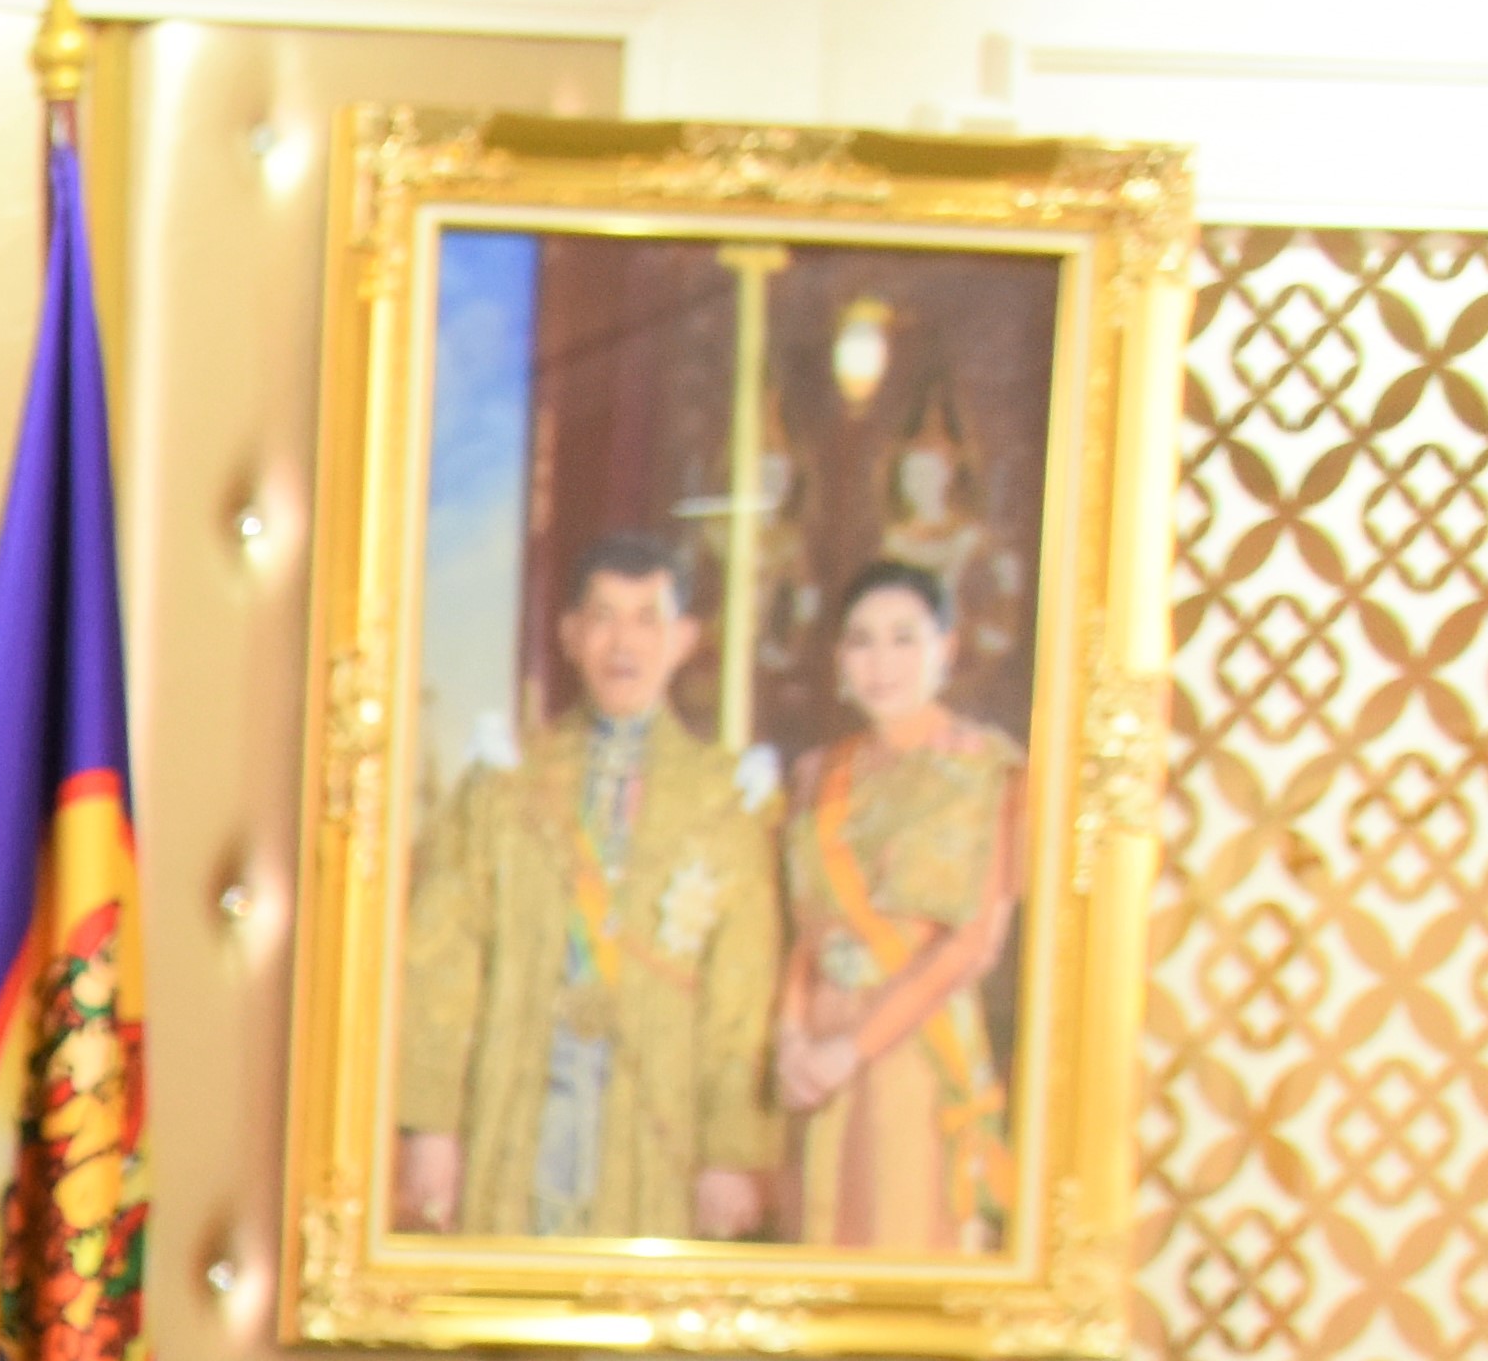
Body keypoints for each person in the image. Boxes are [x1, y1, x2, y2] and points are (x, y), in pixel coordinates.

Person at [387, 522, 780, 1245]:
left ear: (684, 640)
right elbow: (442, 959)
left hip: (654, 1104)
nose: (622, 643)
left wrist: (728, 1155)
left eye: (647, 619)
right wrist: (431, 1126)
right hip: (519, 1090)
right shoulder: (505, 785)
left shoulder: (723, 803)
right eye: (602, 617)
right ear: (570, 635)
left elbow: (742, 993)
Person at [777, 558, 1025, 1257]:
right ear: (838, 658)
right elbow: (806, 933)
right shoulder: (816, 775)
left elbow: (972, 945)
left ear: (946, 648)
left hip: (913, 1051)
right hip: (816, 1062)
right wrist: (791, 1040)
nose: (880, 663)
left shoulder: (987, 770)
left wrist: (850, 1050)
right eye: (861, 641)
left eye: (903, 638)